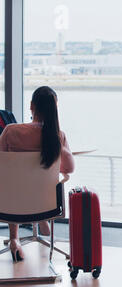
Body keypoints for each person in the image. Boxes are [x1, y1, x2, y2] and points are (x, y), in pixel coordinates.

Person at [0, 86, 75, 262]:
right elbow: (69, 168)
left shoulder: (11, 131)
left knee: (14, 185)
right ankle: (41, 219)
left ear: (31, 105)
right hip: (46, 206)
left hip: (10, 206)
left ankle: (14, 239)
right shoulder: (57, 136)